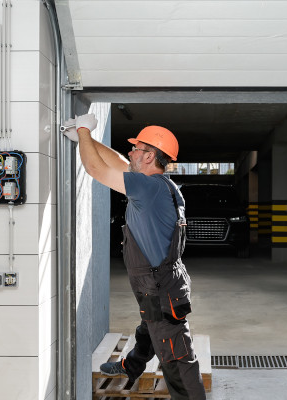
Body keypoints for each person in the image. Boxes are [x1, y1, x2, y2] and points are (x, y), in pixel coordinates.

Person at [64, 114, 206, 400]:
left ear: (150, 155)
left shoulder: (147, 187)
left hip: (159, 289)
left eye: (136, 148)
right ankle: (132, 366)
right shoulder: (158, 185)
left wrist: (82, 130)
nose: (130, 151)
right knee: (149, 329)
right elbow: (117, 161)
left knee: (177, 361)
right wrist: (85, 139)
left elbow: (94, 168)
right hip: (161, 285)